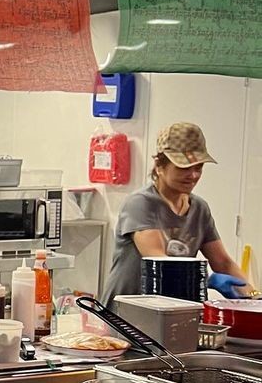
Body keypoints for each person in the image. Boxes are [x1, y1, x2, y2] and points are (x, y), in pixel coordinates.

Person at [104, 122, 251, 303]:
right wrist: (205, 281)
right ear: (160, 166)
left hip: (171, 308)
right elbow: (159, 261)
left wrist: (253, 297)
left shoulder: (199, 209)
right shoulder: (141, 204)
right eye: (184, 168)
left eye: (198, 167)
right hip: (127, 312)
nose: (193, 175)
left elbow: (223, 263)